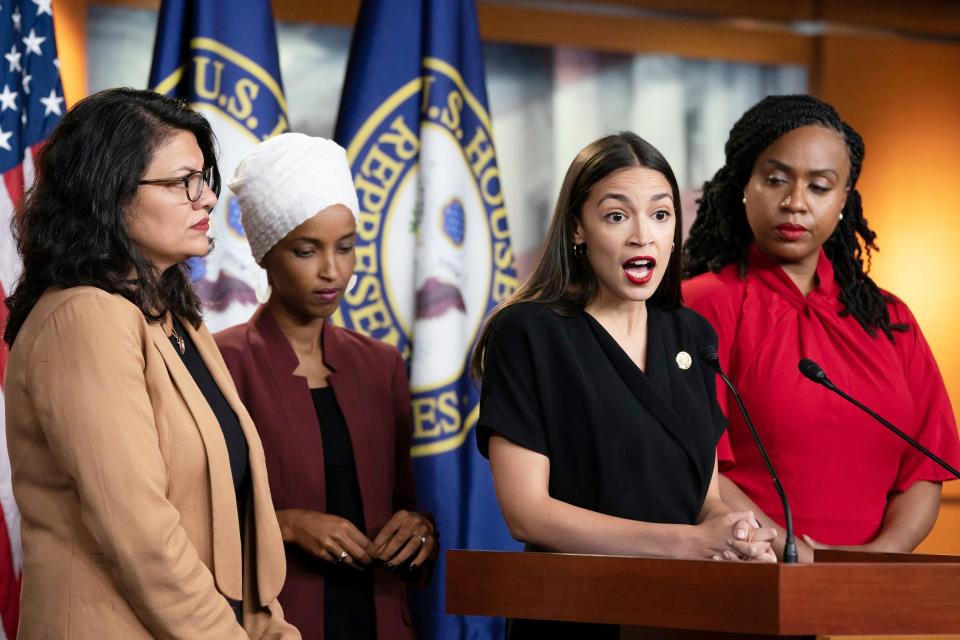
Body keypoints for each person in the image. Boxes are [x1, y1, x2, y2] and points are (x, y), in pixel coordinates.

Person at [3, 88, 298, 639]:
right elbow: (141, 537)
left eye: (205, 178)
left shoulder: (172, 318)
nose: (207, 198)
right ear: (107, 193)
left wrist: (269, 628)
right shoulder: (84, 318)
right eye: (182, 182)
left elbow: (233, 518)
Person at [471, 132, 776, 639]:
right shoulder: (530, 332)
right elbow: (528, 513)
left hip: (687, 614)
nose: (643, 236)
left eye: (661, 215)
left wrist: (734, 531)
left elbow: (706, 498)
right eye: (616, 216)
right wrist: (688, 543)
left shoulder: (692, 335)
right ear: (577, 228)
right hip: (576, 613)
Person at [682, 94, 960, 562]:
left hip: (861, 598)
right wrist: (797, 559)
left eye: (820, 186)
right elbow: (698, 467)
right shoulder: (700, 304)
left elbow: (923, 471)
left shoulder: (891, 319)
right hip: (745, 578)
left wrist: (873, 562)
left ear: (844, 199)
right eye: (775, 180)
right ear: (742, 186)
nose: (795, 203)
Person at [215, 133, 436, 640]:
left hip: (380, 618)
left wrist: (419, 530)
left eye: (346, 247)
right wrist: (287, 525)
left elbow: (404, 498)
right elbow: (193, 516)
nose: (332, 271)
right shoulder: (223, 363)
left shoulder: (380, 365)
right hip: (279, 623)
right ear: (266, 253)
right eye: (306, 250)